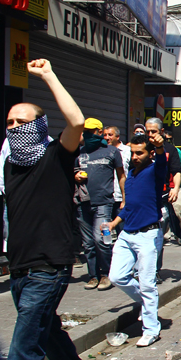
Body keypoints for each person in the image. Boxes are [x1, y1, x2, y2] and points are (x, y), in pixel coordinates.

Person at [3, 59, 103, 360]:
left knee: (25, 342)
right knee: (45, 335)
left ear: (40, 125)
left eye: (23, 122)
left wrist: (47, 75)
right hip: (19, 267)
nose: (15, 127)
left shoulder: (56, 156)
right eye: (10, 123)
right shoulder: (11, 163)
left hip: (50, 266)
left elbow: (76, 121)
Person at [103, 132, 167, 347]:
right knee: (117, 277)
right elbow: (129, 206)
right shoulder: (130, 174)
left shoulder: (154, 171)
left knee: (147, 284)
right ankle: (146, 302)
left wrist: (160, 147)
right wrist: (114, 223)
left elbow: (161, 163)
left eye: (140, 153)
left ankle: (151, 329)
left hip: (147, 234)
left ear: (149, 154)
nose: (135, 156)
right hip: (126, 233)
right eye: (133, 152)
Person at [74, 118, 125, 291]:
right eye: (85, 132)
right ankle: (93, 275)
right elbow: (72, 172)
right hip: (83, 204)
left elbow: (121, 176)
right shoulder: (80, 153)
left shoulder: (111, 152)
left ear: (98, 131)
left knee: (101, 239)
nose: (88, 134)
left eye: (91, 131)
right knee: (88, 243)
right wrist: (76, 176)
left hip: (104, 203)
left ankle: (107, 273)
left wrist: (125, 199)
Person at [146, 118, 181, 282]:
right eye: (147, 131)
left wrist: (175, 188)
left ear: (161, 132)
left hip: (161, 197)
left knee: (157, 235)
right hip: (144, 198)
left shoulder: (170, 150)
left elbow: (176, 171)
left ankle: (154, 270)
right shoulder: (142, 147)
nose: (150, 135)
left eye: (153, 131)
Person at [103, 126, 130, 220]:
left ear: (117, 136)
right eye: (105, 135)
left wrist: (125, 197)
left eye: (110, 135)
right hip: (106, 198)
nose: (107, 137)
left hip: (121, 198)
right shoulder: (102, 151)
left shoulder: (128, 151)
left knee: (122, 229)